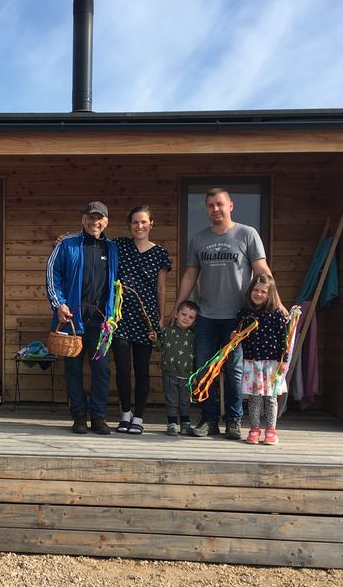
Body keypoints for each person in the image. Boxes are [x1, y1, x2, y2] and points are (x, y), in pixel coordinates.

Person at [166, 187, 280, 440]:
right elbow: (190, 274)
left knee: (234, 372)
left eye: (219, 204)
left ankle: (233, 421)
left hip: (238, 318)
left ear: (231, 206)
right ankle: (209, 420)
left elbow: (262, 270)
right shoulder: (199, 239)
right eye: (210, 205)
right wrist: (177, 306)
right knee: (205, 369)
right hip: (206, 316)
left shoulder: (247, 234)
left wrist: (277, 303)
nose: (215, 209)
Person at [46, 201, 119, 435]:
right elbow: (52, 276)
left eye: (99, 218)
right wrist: (59, 304)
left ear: (106, 222)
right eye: (90, 217)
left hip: (101, 323)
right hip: (71, 322)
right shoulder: (66, 245)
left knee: (102, 371)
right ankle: (78, 416)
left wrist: (112, 315)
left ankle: (98, 417)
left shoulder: (113, 249)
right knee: (73, 370)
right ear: (83, 219)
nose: (94, 222)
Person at [111, 205, 171, 435]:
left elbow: (161, 288)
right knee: (123, 369)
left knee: (142, 370)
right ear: (130, 225)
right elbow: (94, 239)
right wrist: (66, 238)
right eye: (135, 222)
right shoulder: (119, 245)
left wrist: (160, 319)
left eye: (144, 222)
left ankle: (139, 416)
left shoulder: (160, 253)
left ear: (151, 224)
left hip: (146, 319)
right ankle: (125, 413)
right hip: (121, 317)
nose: (139, 226)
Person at [236, 274, 289, 445]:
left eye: (263, 292)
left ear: (270, 294)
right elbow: (239, 335)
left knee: (270, 398)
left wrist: (283, 360)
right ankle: (254, 429)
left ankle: (271, 431)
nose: (258, 294)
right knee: (254, 398)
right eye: (256, 290)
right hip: (252, 363)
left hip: (272, 364)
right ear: (250, 291)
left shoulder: (276, 313)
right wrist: (235, 336)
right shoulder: (244, 313)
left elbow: (283, 339)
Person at [156, 300, 198, 436]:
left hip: (187, 376)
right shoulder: (166, 331)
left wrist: (195, 375)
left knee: (185, 401)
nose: (186, 318)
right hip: (169, 374)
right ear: (176, 314)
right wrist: (154, 339)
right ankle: (172, 424)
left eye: (191, 317)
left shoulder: (193, 336)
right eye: (183, 314)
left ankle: (185, 424)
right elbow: (158, 347)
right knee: (172, 401)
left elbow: (195, 356)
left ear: (194, 320)